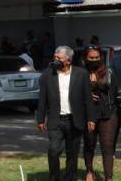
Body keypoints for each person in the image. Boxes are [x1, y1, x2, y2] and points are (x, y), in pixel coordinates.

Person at [37, 46, 96, 181]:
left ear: (68, 60)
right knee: (53, 150)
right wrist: (40, 119)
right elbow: (42, 98)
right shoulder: (47, 74)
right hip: (55, 120)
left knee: (72, 153)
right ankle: (54, 177)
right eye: (54, 57)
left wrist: (91, 118)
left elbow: (88, 98)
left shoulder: (81, 74)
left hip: (74, 120)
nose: (55, 60)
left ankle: (70, 177)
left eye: (59, 58)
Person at [83, 46, 118, 181]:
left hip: (108, 113)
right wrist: (87, 96)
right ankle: (89, 171)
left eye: (97, 57)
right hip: (88, 114)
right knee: (89, 143)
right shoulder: (80, 73)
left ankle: (108, 177)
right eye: (91, 58)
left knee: (107, 145)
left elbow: (115, 92)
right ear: (85, 58)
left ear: (101, 57)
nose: (94, 60)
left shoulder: (109, 72)